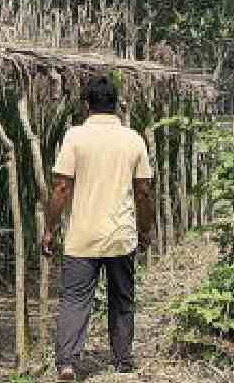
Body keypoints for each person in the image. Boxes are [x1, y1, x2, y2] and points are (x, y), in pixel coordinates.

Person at [42, 75, 155, 382]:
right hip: (120, 235)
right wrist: (145, 230)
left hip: (83, 236)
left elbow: (61, 188)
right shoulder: (133, 139)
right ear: (116, 105)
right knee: (122, 299)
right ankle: (122, 360)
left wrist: (49, 229)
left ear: (86, 105)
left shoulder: (75, 137)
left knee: (75, 299)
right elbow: (143, 191)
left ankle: (67, 362)